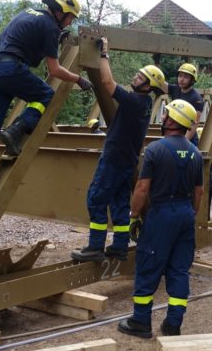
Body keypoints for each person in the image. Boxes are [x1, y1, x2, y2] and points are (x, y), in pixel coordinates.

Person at [0, 0, 93, 224]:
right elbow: (54, 70)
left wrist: (53, 42)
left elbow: (25, 44)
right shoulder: (50, 26)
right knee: (45, 95)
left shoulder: (28, 13)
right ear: (60, 12)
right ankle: (17, 130)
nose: (70, 22)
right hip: (8, 69)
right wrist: (79, 79)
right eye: (70, 17)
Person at [71, 38, 167, 262]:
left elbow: (106, 82)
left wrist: (104, 53)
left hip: (114, 159)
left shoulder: (135, 101)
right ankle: (120, 246)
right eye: (138, 74)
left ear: (148, 86)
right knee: (119, 203)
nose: (136, 77)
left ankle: (95, 247)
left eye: (140, 77)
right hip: (126, 161)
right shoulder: (144, 104)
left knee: (96, 199)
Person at [117, 99, 204, 338]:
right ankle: (173, 323)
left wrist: (134, 216)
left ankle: (141, 321)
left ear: (173, 120)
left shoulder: (155, 150)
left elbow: (142, 188)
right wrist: (190, 214)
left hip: (162, 214)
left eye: (166, 114)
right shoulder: (196, 153)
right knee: (179, 269)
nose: (163, 117)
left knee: (149, 265)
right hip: (185, 213)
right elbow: (199, 192)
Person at [167, 63, 204, 145]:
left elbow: (194, 124)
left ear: (192, 80)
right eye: (180, 76)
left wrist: (184, 142)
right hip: (174, 135)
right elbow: (159, 83)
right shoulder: (175, 89)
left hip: (188, 140)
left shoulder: (196, 98)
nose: (181, 79)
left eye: (186, 77)